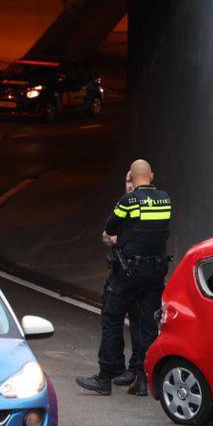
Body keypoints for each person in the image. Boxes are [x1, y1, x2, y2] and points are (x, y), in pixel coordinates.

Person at [76, 159, 172, 396]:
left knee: (111, 317)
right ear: (152, 176)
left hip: (129, 272)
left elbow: (111, 228)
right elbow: (146, 230)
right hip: (155, 274)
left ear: (131, 176)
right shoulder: (165, 199)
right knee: (147, 323)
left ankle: (106, 375)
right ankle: (142, 377)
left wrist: (127, 192)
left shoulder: (128, 201)